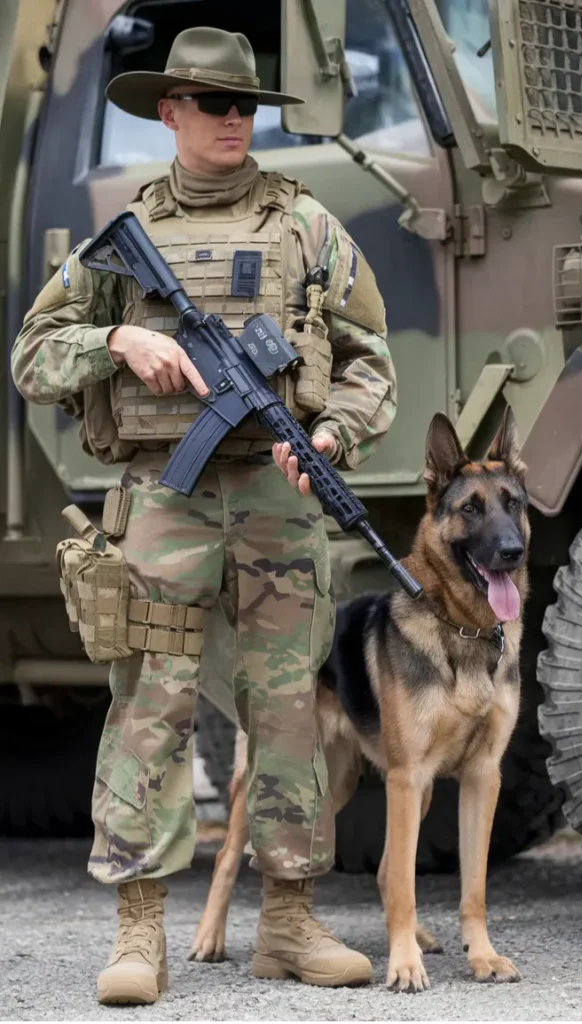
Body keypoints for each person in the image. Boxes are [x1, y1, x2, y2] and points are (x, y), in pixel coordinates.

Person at [11, 26, 397, 1005]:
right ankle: (139, 930)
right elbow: (33, 354)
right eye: (212, 104)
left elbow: (367, 363)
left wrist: (336, 437)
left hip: (276, 501)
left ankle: (288, 924)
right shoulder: (119, 235)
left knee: (285, 708)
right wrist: (116, 343)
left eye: (245, 106)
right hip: (163, 500)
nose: (233, 120)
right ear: (169, 112)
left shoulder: (307, 227)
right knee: (151, 704)